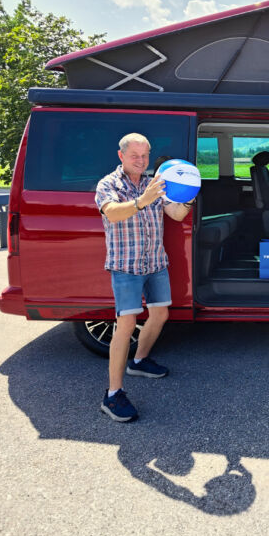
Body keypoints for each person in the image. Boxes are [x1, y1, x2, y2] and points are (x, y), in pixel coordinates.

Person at [95, 133, 195, 422]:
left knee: (160, 314)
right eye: (135, 155)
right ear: (121, 156)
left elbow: (175, 214)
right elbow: (111, 213)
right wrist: (142, 200)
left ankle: (139, 361)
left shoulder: (156, 182)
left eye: (145, 155)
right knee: (125, 326)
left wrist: (187, 197)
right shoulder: (109, 184)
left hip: (155, 262)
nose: (140, 160)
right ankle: (113, 395)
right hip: (126, 265)